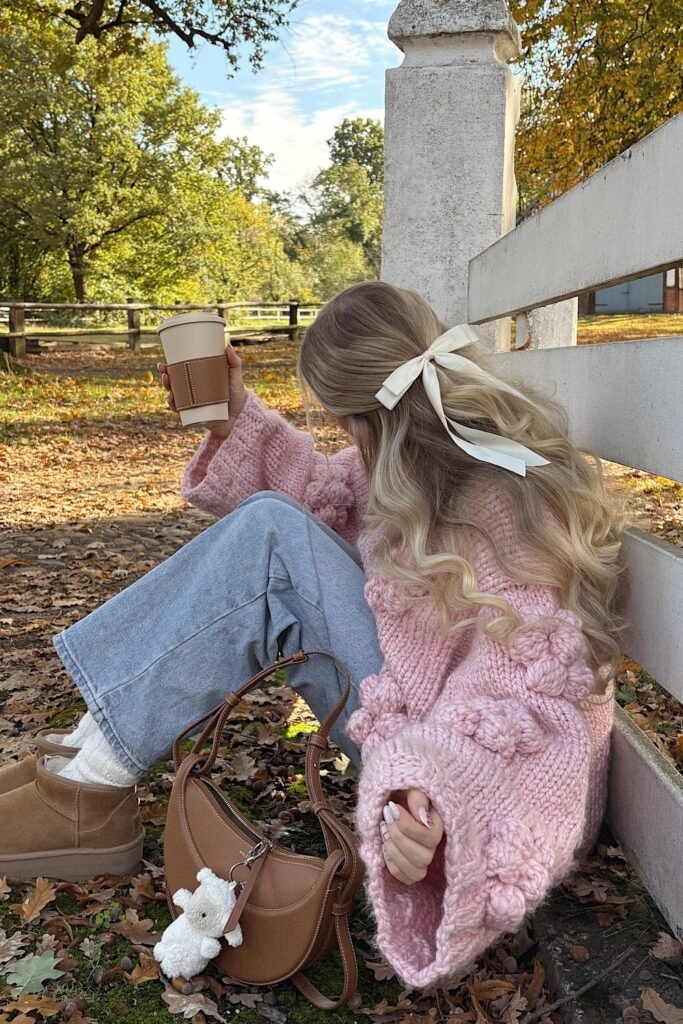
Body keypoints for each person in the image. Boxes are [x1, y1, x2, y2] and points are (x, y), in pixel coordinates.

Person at [0, 281, 629, 988]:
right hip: (426, 717)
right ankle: (73, 773)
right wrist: (234, 418)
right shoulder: (418, 456)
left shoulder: (502, 493)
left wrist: (439, 784)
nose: (341, 437)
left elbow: (520, 680)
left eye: (336, 421)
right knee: (272, 529)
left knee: (269, 535)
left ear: (356, 410)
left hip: (486, 775)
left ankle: (83, 787)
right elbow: (321, 510)